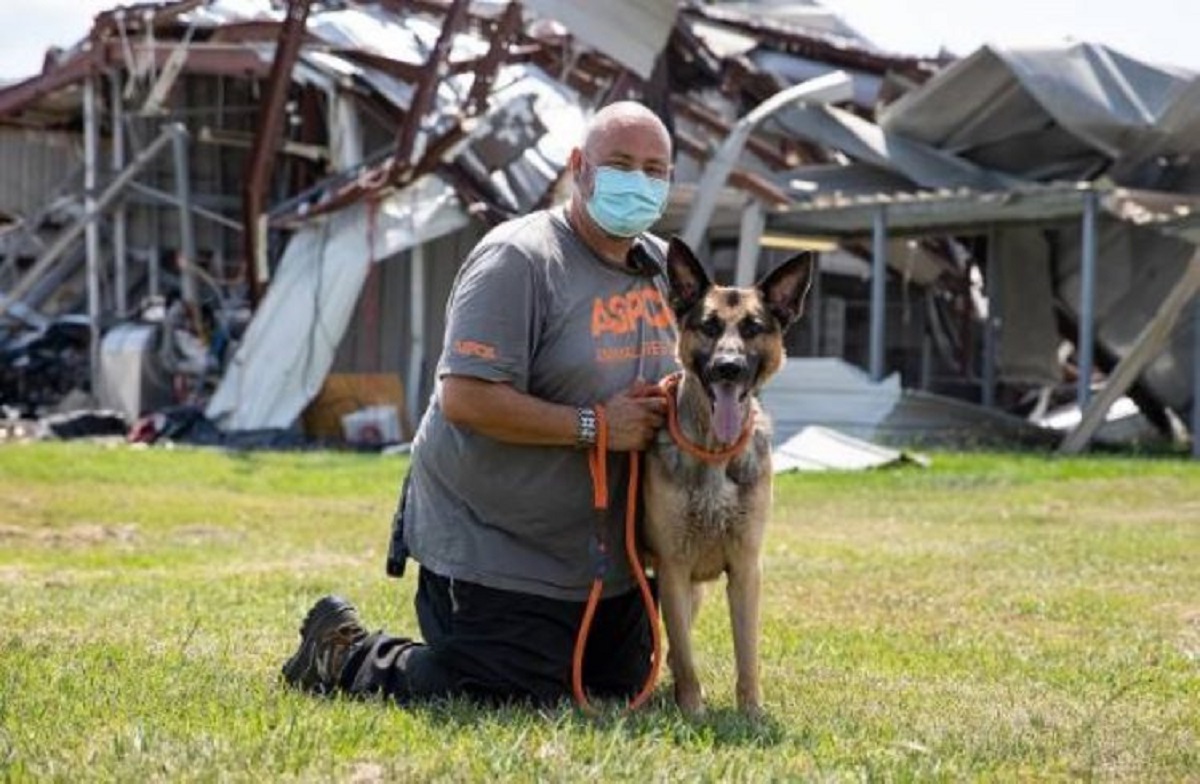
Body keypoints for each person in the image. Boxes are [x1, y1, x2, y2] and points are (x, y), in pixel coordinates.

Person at [281, 101, 680, 706]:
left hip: (602, 562)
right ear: (579, 167)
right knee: (506, 694)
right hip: (496, 546)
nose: (639, 181)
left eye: (656, 169)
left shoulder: (662, 267)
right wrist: (595, 425)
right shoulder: (520, 259)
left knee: (617, 689)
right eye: (621, 163)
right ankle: (346, 653)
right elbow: (465, 398)